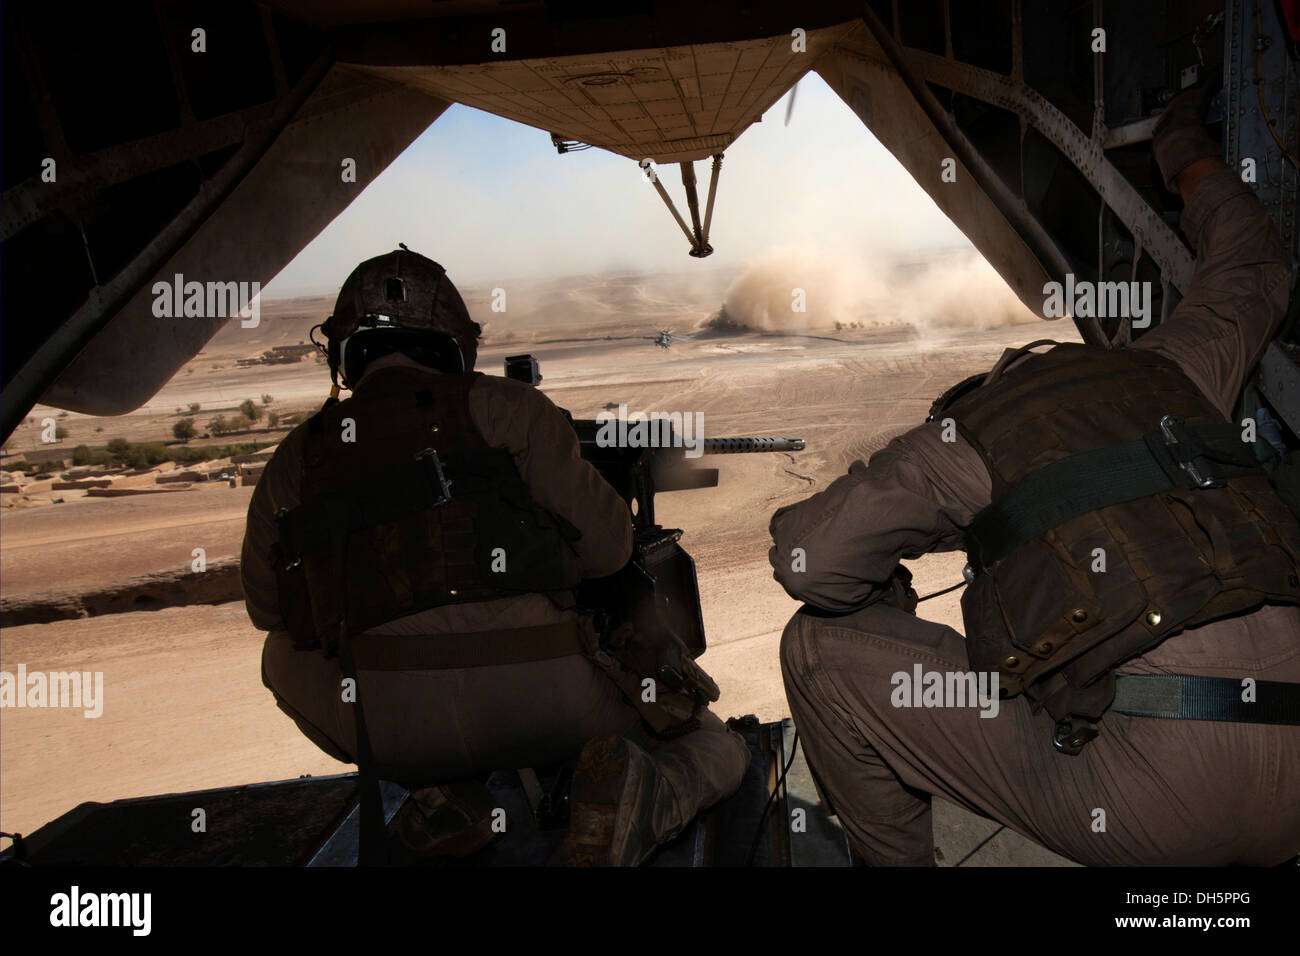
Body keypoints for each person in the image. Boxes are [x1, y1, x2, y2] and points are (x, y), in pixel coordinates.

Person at [770, 90, 1300, 866]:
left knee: (815, 651)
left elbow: (809, 565)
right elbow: (1253, 260)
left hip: (1161, 801)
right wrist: (1183, 148)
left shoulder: (965, 440)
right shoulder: (1174, 373)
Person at [241, 247, 749, 865]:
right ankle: (645, 799)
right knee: (710, 741)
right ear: (455, 343)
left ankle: (444, 793)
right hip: (549, 703)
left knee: (276, 657)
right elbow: (611, 550)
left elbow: (269, 611)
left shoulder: (300, 455)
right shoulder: (509, 410)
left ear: (343, 353)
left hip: (390, 725)